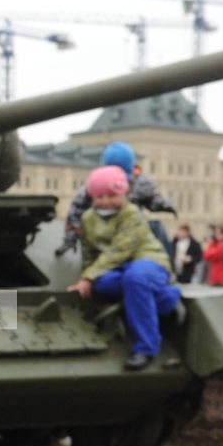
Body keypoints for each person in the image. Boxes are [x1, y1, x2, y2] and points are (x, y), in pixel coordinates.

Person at [67, 166, 183, 371]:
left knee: (135, 279)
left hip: (148, 261)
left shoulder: (131, 213)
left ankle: (146, 348)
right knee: (102, 285)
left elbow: (119, 250)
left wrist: (88, 277)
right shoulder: (88, 218)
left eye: (112, 195)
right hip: (119, 269)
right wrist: (88, 277)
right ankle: (165, 299)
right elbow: (88, 252)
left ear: (125, 193)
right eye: (100, 196)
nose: (105, 201)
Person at [61, 143, 174, 253]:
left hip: (131, 228)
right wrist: (72, 236)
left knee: (156, 228)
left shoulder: (140, 183)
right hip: (102, 229)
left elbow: (152, 199)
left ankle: (164, 266)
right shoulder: (96, 184)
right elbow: (76, 210)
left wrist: (163, 204)